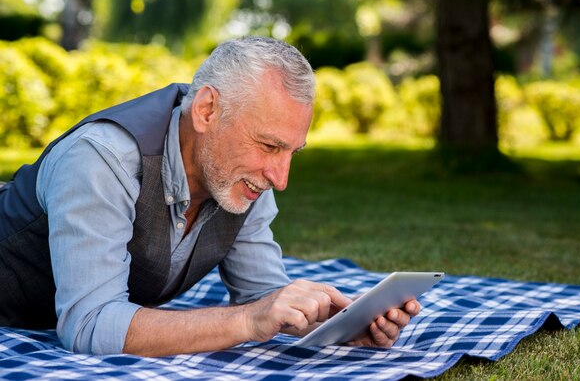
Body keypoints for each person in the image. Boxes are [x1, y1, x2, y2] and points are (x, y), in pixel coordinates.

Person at [0, 36, 420, 356]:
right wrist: (249, 321)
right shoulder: (102, 158)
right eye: (269, 146)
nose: (280, 177)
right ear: (206, 111)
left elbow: (263, 299)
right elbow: (89, 325)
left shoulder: (244, 180)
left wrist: (337, 325)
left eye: (292, 152)